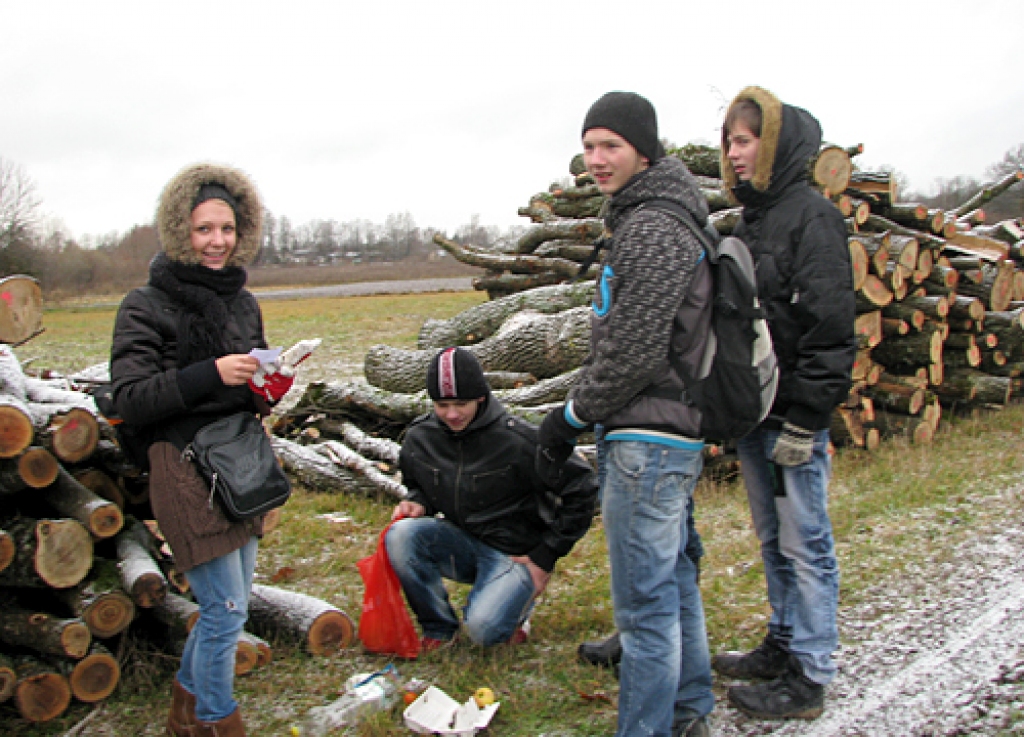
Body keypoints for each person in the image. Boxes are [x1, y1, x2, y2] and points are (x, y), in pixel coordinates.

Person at [536, 91, 715, 737]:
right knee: (674, 584)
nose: (596, 159)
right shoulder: (654, 217)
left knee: (643, 610)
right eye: (588, 147)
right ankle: (691, 712)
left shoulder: (653, 228)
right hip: (665, 433)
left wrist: (571, 414)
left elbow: (635, 351)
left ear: (645, 148)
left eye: (610, 145)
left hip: (649, 439)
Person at [110, 163, 287, 737]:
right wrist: (210, 372)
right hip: (182, 467)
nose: (218, 242)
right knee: (225, 611)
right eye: (204, 230)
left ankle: (184, 714)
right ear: (179, 231)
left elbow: (248, 388)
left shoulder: (243, 302)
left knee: (227, 608)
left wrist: (268, 388)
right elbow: (131, 398)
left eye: (228, 230)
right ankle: (217, 723)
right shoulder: (145, 304)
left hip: (239, 465)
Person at [710, 86, 856, 720]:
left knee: (808, 543)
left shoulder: (812, 217)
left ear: (772, 144)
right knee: (773, 541)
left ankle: (812, 672)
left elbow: (830, 326)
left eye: (744, 141)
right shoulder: (752, 220)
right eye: (730, 143)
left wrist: (808, 418)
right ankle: (783, 640)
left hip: (793, 421)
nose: (735, 154)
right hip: (757, 416)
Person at [386, 346, 599, 650]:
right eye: (442, 405)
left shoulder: (519, 440)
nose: (452, 414)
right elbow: (417, 484)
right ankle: (439, 627)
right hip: (461, 542)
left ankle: (517, 609)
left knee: (485, 634)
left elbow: (583, 487)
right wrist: (417, 501)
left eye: (462, 403)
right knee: (401, 535)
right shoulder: (420, 437)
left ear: (481, 398)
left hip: (515, 555)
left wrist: (545, 556)